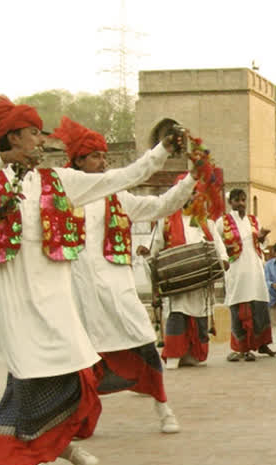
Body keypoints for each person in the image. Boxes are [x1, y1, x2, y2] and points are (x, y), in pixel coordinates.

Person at [0, 94, 180, 465]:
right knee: (29, 380)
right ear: (11, 138)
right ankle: (42, 459)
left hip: (59, 300)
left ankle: (60, 445)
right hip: (17, 303)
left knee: (78, 375)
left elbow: (119, 178)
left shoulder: (58, 181)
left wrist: (160, 151)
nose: (40, 140)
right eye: (31, 133)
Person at [51, 117, 200, 434]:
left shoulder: (117, 198)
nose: (102, 162)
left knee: (143, 343)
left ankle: (163, 408)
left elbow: (161, 206)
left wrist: (190, 181)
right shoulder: (61, 196)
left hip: (117, 293)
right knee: (78, 363)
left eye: (104, 156)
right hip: (77, 296)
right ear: (77, 161)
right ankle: (80, 420)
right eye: (95, 156)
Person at [152, 176, 229, 369]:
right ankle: (173, 355)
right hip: (178, 283)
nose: (192, 196)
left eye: (195, 192)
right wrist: (148, 254)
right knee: (177, 315)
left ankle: (192, 354)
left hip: (200, 284)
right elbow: (154, 247)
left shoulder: (203, 221)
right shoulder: (167, 219)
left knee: (200, 316)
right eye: (188, 192)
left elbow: (218, 245)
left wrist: (224, 259)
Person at [215, 188, 276, 362]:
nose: (240, 203)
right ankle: (242, 348)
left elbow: (263, 243)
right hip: (236, 270)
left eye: (243, 200)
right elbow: (216, 243)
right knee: (240, 307)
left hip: (255, 268)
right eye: (237, 200)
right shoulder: (223, 222)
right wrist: (223, 257)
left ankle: (262, 343)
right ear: (230, 202)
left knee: (259, 305)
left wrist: (263, 236)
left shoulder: (253, 220)